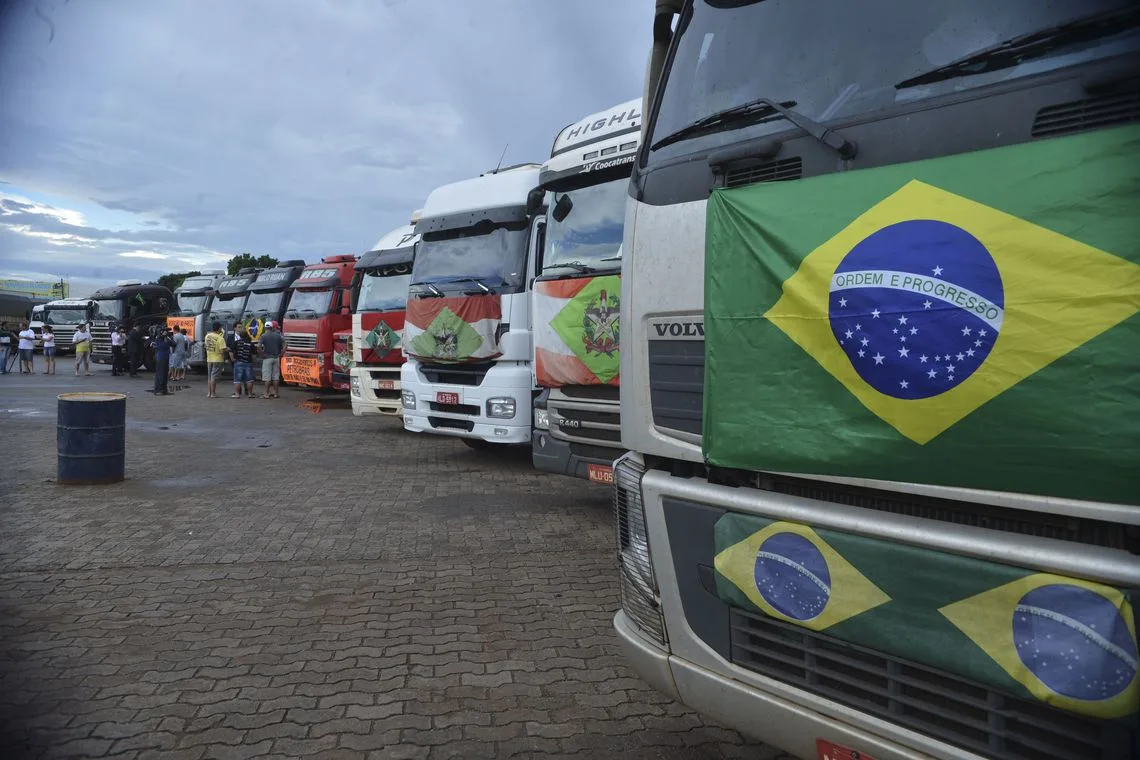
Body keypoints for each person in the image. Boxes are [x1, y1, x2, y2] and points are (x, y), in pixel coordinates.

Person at [228, 325, 257, 398]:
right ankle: (250, 394)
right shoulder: (251, 344)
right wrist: (252, 361)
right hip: (248, 362)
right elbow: (254, 354)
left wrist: (232, 359)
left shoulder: (236, 342)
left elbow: (230, 351)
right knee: (249, 379)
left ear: (240, 336)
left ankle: (237, 394)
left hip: (238, 362)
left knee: (237, 380)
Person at [258, 320, 285, 398]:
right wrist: (282, 352)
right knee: (276, 377)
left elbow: (259, 346)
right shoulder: (277, 335)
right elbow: (285, 344)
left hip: (267, 358)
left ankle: (266, 394)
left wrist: (262, 353)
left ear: (265, 328)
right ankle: (276, 393)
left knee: (267, 377)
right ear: (272, 327)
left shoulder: (263, 336)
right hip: (276, 358)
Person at [204, 321, 227, 399]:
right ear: (219, 328)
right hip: (218, 359)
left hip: (209, 358)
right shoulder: (220, 338)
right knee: (214, 377)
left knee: (209, 377)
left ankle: (209, 393)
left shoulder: (207, 336)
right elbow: (222, 350)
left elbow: (206, 346)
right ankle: (213, 393)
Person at [152, 328, 173, 395]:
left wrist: (168, 338)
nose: (167, 332)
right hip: (161, 358)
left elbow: (174, 344)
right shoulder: (159, 338)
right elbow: (163, 346)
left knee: (165, 374)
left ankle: (164, 389)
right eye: (165, 331)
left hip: (166, 358)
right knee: (160, 374)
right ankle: (158, 389)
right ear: (161, 332)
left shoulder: (167, 338)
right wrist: (166, 340)